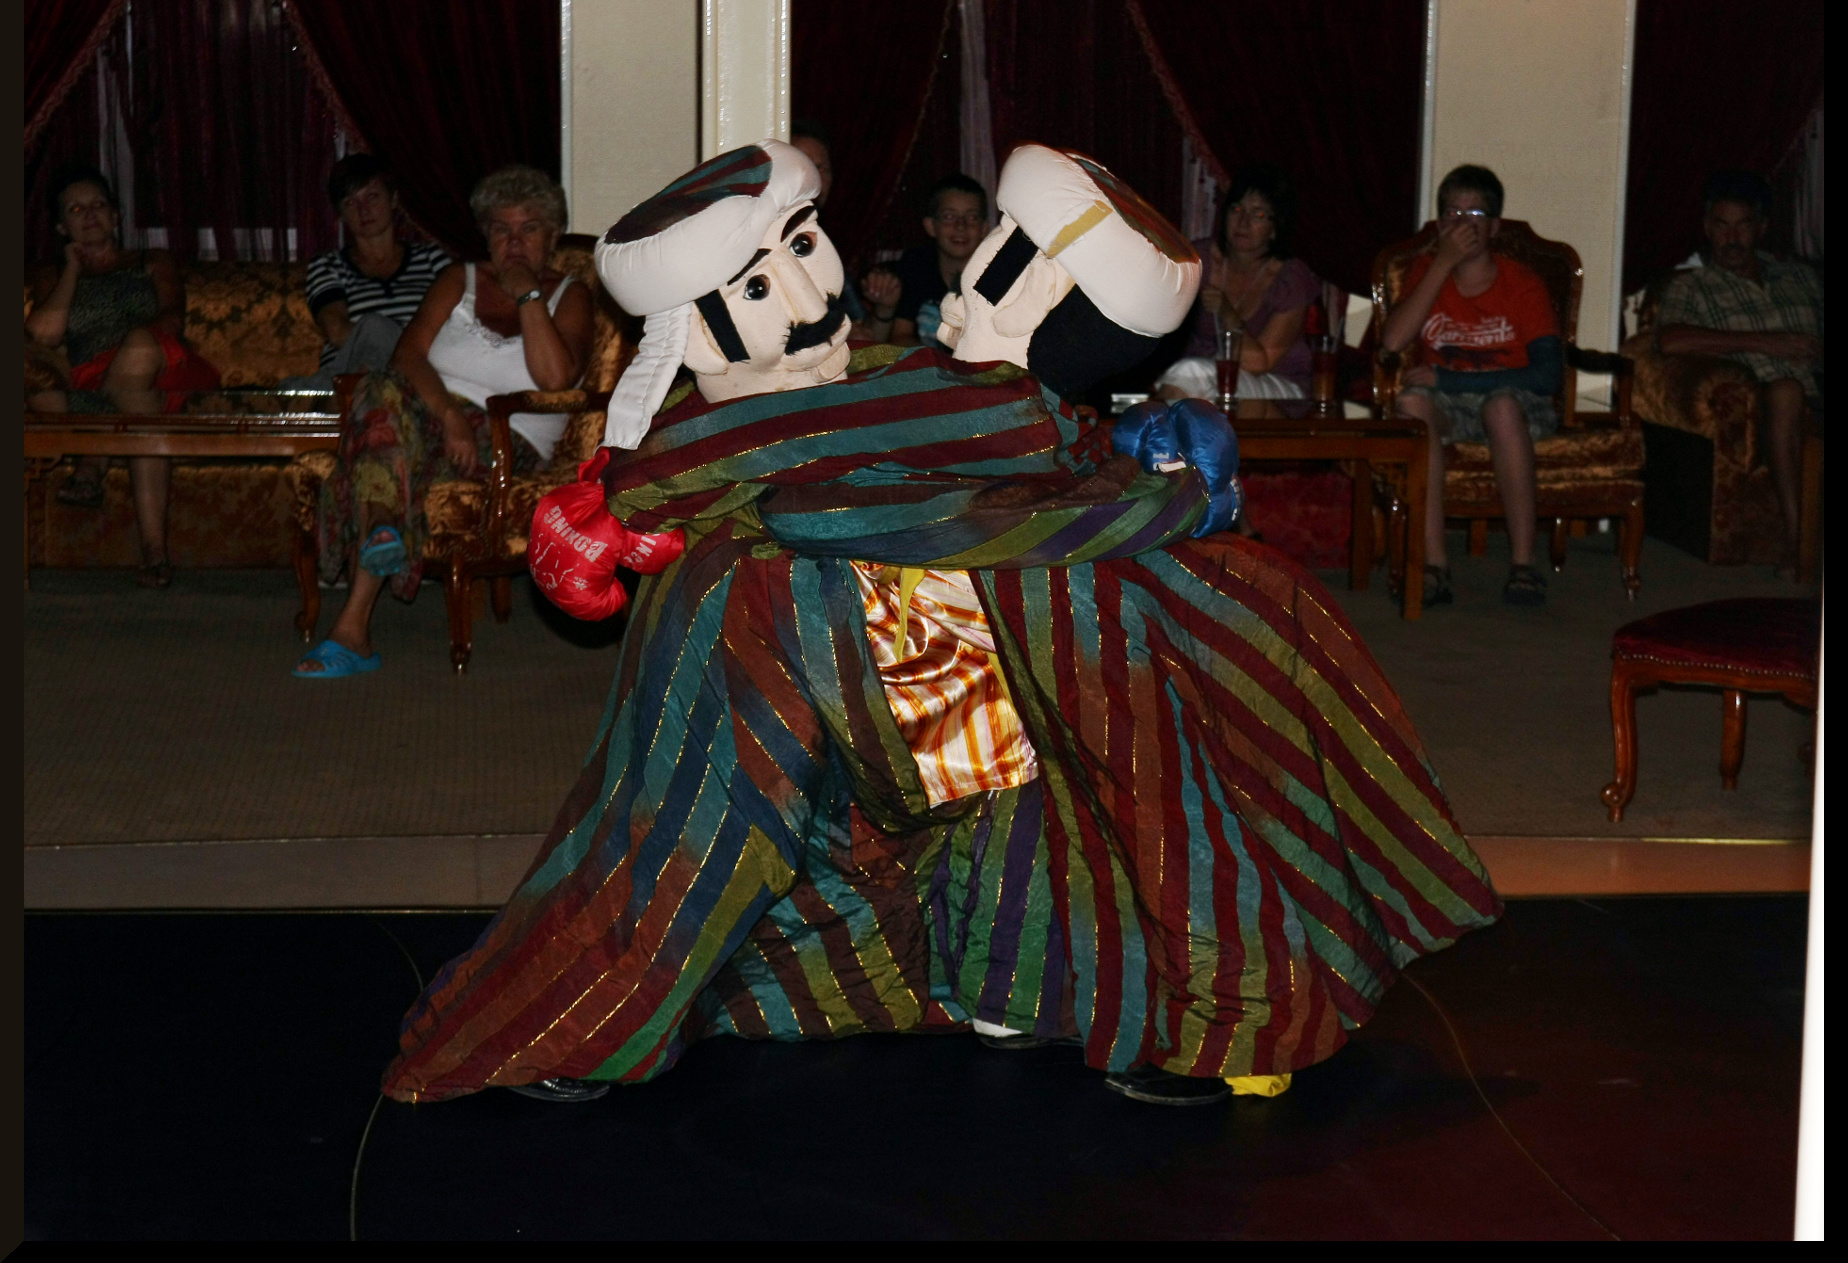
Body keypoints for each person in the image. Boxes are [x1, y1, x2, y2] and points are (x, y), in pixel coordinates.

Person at [379, 141, 1500, 1109]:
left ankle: (1099, 992)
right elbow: (803, 457)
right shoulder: (884, 398)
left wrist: (627, 501)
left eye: (803, 247)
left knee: (1087, 795)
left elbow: (906, 443)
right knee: (731, 806)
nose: (807, 292)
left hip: (996, 646)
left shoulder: (944, 393)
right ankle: (599, 1002)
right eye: (762, 278)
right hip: (861, 650)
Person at [292, 165, 594, 677]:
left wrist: (528, 296)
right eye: (500, 229)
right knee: (380, 389)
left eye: (528, 229)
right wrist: (450, 416)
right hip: (433, 415)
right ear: (485, 234)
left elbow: (554, 379)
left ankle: (357, 614)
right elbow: (408, 355)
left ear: (553, 236)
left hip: (506, 435)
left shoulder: (572, 296)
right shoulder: (461, 278)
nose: (513, 242)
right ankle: (378, 539)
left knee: (386, 456)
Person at [25, 165, 221, 588]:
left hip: (161, 366)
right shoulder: (51, 274)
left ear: (116, 216)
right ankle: (155, 553)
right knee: (135, 409)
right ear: (61, 227)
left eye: (98, 205)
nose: (90, 215)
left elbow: (173, 318)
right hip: (102, 388)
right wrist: (72, 269)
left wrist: (130, 353)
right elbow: (43, 334)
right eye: (76, 209)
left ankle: (94, 460)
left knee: (138, 346)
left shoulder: (151, 260)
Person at [1381, 164, 1562, 607]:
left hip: (1516, 400)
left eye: (1475, 215)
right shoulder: (1428, 270)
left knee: (1500, 407)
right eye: (1452, 214)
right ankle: (1435, 565)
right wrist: (1442, 264)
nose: (1463, 225)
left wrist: (1451, 378)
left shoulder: (1522, 283)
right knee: (1411, 404)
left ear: (1494, 226)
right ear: (1440, 223)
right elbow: (1392, 341)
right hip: (1449, 402)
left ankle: (1523, 564)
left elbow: (1547, 375)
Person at [1655, 170, 1823, 565]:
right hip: (1766, 401)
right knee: (1786, 391)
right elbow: (1670, 340)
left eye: (1743, 226)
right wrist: (1763, 342)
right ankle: (1797, 540)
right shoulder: (1692, 285)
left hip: (1818, 385)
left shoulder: (1800, 277)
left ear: (1761, 228)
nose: (1731, 237)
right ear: (1707, 228)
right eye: (1721, 225)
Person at [1152, 165, 1321, 415]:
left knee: (1190, 375)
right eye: (1237, 209)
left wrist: (1227, 313)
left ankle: (1156, 435)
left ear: (1275, 228)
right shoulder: (1197, 261)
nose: (1243, 222)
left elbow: (1260, 362)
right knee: (1193, 384)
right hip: (1203, 382)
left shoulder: (1291, 277)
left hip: (1279, 387)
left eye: (1258, 214)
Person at [283, 154, 451, 393]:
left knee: (376, 328)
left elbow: (456, 326)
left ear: (393, 199)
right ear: (341, 214)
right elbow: (336, 331)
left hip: (422, 374)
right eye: (351, 203)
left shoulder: (433, 259)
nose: (363, 210)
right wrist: (390, 340)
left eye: (372, 197)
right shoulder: (329, 265)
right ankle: (367, 389)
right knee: (373, 329)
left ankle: (337, 391)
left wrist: (399, 347)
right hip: (351, 371)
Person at [789, 118, 902, 344]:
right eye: (803, 165)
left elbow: (865, 340)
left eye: (822, 168)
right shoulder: (758, 245)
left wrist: (884, 309)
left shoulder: (822, 246)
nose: (815, 177)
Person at [889, 172, 989, 347]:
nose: (960, 226)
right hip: (926, 362)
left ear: (984, 228)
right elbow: (900, 336)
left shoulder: (996, 274)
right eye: (949, 217)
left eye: (972, 217)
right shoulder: (917, 265)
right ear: (931, 226)